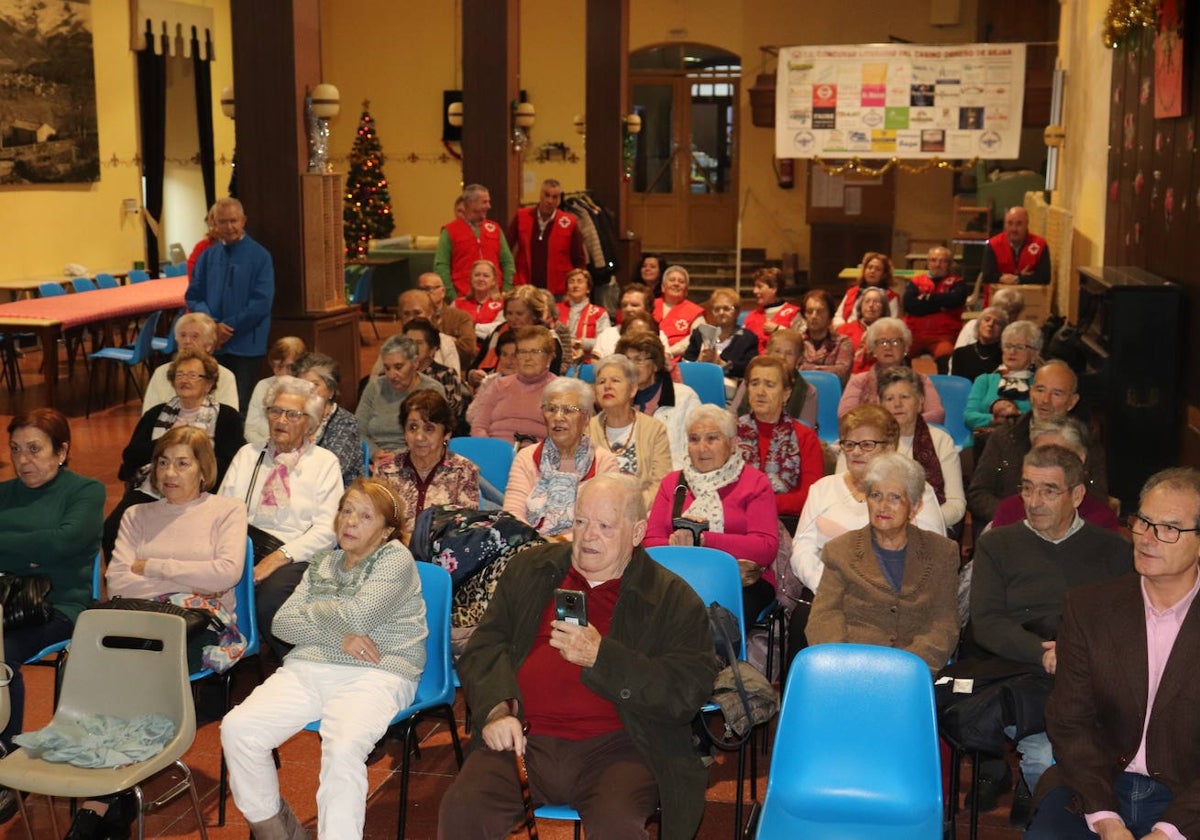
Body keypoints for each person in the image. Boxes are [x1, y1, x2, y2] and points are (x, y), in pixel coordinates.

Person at [438, 473, 718, 840]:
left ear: (636, 533)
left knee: (617, 829)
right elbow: (485, 647)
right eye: (582, 521)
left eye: (605, 526)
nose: (587, 536)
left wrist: (603, 657)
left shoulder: (671, 598)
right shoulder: (531, 569)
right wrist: (497, 710)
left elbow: (685, 691)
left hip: (621, 748)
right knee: (461, 813)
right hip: (522, 738)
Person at [222, 479, 427, 840]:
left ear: (387, 531)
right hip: (310, 667)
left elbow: (360, 616)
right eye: (346, 510)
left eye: (365, 516)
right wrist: (340, 635)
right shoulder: (323, 562)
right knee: (239, 730)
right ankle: (277, 832)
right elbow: (283, 622)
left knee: (344, 746)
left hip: (378, 671)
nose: (349, 522)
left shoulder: (396, 559)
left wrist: (317, 615)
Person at [1026, 468, 1200, 840]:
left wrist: (1170, 831)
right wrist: (1106, 819)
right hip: (1094, 783)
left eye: (1170, 528)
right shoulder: (1089, 607)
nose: (1148, 539)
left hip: (1189, 796)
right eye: (1143, 522)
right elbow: (1070, 721)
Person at [967, 444, 1132, 811]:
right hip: (1027, 675)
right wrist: (1042, 656)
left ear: (1076, 495)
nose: (1034, 501)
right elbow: (988, 623)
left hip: (1096, 680)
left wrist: (1075, 655)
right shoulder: (997, 544)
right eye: (1027, 488)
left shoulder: (1114, 551)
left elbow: (1129, 624)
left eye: (1048, 490)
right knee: (1046, 758)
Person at [0, 409, 103, 781]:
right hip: (4, 602)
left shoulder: (86, 491)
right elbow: (51, 543)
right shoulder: (3, 493)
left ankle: (4, 758)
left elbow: (64, 544)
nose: (22, 460)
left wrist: (18, 550)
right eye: (15, 449)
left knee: (3, 652)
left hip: (58, 606)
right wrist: (34, 551)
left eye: (33, 449)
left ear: (61, 451)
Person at [219, 376, 343, 659]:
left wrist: (278, 558)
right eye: (275, 411)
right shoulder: (247, 455)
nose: (281, 420)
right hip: (243, 544)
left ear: (309, 422)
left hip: (295, 553)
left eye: (292, 414)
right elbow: (223, 511)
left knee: (269, 600)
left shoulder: (324, 463)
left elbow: (327, 530)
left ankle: (292, 664)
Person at [807, 452, 960, 672]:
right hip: (851, 667)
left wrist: (907, 668)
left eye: (895, 497)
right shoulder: (840, 550)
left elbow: (944, 624)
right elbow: (824, 616)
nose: (882, 506)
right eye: (875, 495)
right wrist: (842, 665)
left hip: (912, 668)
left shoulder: (942, 552)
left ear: (915, 506)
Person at [645, 405, 780, 625]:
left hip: (740, 581)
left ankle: (716, 660)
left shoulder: (755, 483)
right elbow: (651, 541)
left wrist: (703, 540)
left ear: (733, 443)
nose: (701, 448)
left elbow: (765, 548)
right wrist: (676, 544)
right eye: (694, 439)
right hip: (675, 576)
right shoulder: (672, 483)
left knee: (711, 621)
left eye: (712, 438)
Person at [107, 349, 245, 557]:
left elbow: (232, 462)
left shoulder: (226, 416)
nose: (185, 380)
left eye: (192, 375)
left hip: (202, 493)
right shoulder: (156, 413)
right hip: (151, 489)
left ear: (208, 384)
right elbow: (131, 456)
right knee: (111, 531)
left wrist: (192, 464)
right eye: (180, 375)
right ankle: (125, 585)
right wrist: (167, 444)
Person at [108, 426, 248, 619]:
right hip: (138, 618)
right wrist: (193, 588)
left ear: (203, 470)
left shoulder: (229, 510)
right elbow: (117, 585)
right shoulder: (136, 515)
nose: (170, 473)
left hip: (200, 622)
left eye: (182, 464)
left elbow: (226, 575)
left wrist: (150, 567)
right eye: (163, 463)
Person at [967, 360, 1108, 525]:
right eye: (1040, 390)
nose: (1045, 400)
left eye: (1057, 393)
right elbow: (978, 494)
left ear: (1072, 401)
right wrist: (1018, 519)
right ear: (1031, 393)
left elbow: (1097, 502)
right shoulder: (1004, 436)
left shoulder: (1087, 444)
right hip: (1008, 530)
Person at [845, 365, 964, 528]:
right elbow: (845, 494)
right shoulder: (864, 441)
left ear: (920, 401)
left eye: (905, 397)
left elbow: (956, 505)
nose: (897, 404)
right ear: (880, 404)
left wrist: (919, 523)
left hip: (926, 528)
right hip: (869, 526)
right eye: (889, 399)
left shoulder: (941, 440)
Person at [186, 196, 276, 410]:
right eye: (223, 221)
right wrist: (212, 326)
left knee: (240, 405)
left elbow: (261, 301)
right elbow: (194, 295)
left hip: (247, 344)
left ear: (243, 221)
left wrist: (228, 328)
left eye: (234, 221)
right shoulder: (207, 256)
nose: (229, 227)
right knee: (210, 404)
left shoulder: (260, 256)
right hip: (212, 346)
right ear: (214, 224)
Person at [503, 378, 618, 539]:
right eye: (551, 409)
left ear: (586, 417)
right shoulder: (526, 457)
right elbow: (512, 514)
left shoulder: (604, 462)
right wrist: (538, 544)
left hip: (583, 546)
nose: (558, 417)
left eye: (568, 410)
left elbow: (602, 521)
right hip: (530, 547)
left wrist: (561, 541)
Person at [989, 417, 1122, 533]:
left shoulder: (1101, 519)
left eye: (1059, 455)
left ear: (1080, 459)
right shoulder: (1010, 510)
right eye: (1039, 452)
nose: (1046, 461)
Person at [380, 390, 479, 544]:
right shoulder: (387, 470)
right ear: (404, 433)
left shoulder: (463, 471)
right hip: (393, 555)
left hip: (442, 558)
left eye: (429, 429)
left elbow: (466, 532)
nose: (419, 437)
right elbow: (377, 524)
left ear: (446, 434)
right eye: (412, 428)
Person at [735, 355, 824, 522]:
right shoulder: (730, 432)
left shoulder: (805, 436)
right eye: (754, 384)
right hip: (735, 519)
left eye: (769, 385)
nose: (760, 392)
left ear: (786, 394)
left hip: (786, 523)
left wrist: (763, 504)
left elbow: (812, 496)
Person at [589, 353, 673, 509]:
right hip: (597, 510)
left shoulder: (654, 430)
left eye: (615, 380)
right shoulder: (587, 430)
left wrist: (631, 507)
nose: (607, 386)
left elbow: (661, 484)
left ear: (633, 389)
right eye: (601, 382)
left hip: (642, 512)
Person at [616, 330, 702, 470]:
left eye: (639, 360)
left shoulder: (684, 397)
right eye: (626, 361)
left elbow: (696, 450)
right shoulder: (616, 401)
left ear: (656, 364)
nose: (631, 366)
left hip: (672, 478)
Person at [356, 334, 445, 466]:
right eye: (387, 368)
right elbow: (357, 430)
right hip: (374, 462)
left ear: (415, 363)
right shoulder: (375, 387)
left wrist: (398, 456)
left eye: (398, 367)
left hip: (417, 461)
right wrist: (374, 453)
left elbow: (435, 435)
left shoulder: (432, 390)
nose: (391, 375)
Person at [837, 318, 946, 424]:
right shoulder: (858, 381)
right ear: (873, 349)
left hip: (911, 436)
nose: (888, 347)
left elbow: (937, 414)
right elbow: (845, 415)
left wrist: (904, 424)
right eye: (882, 342)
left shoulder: (921, 380)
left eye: (895, 342)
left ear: (906, 348)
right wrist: (884, 425)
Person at [471, 325, 558, 445]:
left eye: (535, 352)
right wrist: (489, 451)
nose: (528, 358)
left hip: (536, 456)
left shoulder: (560, 390)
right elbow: (479, 426)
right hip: (494, 452)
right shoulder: (499, 385)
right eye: (522, 352)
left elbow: (562, 436)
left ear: (549, 357)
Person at [141, 312, 241, 413]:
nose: (187, 341)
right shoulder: (161, 373)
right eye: (183, 335)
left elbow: (230, 419)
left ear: (209, 345)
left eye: (195, 336)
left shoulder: (225, 376)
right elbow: (148, 416)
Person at [293, 352, 363, 488]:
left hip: (338, 497)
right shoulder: (294, 416)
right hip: (299, 488)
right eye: (302, 385)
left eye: (315, 385)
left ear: (331, 391)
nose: (307, 391)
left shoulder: (346, 423)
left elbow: (332, 470)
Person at [435, 183, 515, 300]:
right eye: (484, 202)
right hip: (462, 296)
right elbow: (441, 266)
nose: (489, 206)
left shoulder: (495, 228)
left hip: (495, 297)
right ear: (471, 203)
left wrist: (506, 291)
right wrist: (452, 296)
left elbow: (507, 262)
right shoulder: (449, 231)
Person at [507, 178, 586, 296]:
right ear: (540, 195)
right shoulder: (522, 216)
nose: (550, 201)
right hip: (525, 287)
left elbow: (579, 259)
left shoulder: (569, 222)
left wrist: (576, 289)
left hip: (558, 290)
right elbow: (507, 249)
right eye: (547, 195)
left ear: (560, 200)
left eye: (555, 197)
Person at [964, 320, 1042, 431]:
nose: (1012, 351)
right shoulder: (985, 380)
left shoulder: (1039, 384)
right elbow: (969, 417)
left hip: (1022, 442)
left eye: (1020, 347)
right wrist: (995, 419)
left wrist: (1017, 417)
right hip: (981, 442)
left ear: (1035, 354)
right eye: (1008, 346)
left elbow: (1042, 420)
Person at [903, 245, 971, 373]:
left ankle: (943, 390)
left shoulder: (958, 282)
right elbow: (909, 306)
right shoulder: (916, 282)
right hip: (914, 334)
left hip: (943, 335)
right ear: (928, 262)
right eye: (933, 260)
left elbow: (957, 300)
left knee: (947, 359)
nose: (937, 264)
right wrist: (942, 305)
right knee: (898, 354)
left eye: (943, 261)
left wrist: (927, 298)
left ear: (949, 264)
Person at [683, 287, 758, 386]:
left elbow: (750, 369)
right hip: (699, 384)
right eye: (717, 309)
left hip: (732, 391)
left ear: (737, 312)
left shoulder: (748, 338)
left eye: (726, 308)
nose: (721, 312)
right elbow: (685, 364)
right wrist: (699, 362)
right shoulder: (700, 333)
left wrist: (722, 363)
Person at [244, 336, 307, 447]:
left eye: (289, 367)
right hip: (264, 450)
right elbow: (250, 430)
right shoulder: (263, 386)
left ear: (301, 366)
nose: (280, 372)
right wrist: (270, 449)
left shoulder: (307, 390)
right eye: (276, 366)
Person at [403, 317, 466, 425]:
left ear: (432, 349)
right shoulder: (394, 374)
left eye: (418, 343)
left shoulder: (447, 375)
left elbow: (452, 413)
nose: (412, 347)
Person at [417, 270, 479, 371]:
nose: (424, 293)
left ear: (443, 292)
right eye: (421, 289)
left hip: (456, 371)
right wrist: (450, 340)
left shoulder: (461, 317)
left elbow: (468, 349)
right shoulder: (416, 318)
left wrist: (438, 341)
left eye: (429, 289)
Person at [593, 283, 670, 360]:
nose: (628, 309)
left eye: (634, 305)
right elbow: (594, 363)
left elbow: (664, 364)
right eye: (624, 305)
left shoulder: (659, 336)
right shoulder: (607, 334)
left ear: (648, 309)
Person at [981, 206, 1050, 286]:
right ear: (1004, 225)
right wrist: (1003, 278)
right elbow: (986, 276)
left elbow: (1045, 277)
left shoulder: (1040, 245)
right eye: (1010, 223)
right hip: (998, 297)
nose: (1014, 229)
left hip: (1029, 297)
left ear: (1027, 224)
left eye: (1019, 224)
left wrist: (1018, 279)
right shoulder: (993, 245)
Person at [398, 289, 463, 374]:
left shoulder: (445, 342)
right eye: (406, 314)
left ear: (429, 314)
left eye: (417, 313)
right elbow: (377, 379)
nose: (411, 318)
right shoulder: (394, 343)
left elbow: (454, 378)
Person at [798, 289, 854, 384]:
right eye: (809, 311)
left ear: (830, 315)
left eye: (820, 311)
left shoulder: (842, 342)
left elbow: (841, 373)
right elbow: (791, 370)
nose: (814, 316)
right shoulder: (797, 341)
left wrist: (806, 368)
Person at [832, 251, 900, 329]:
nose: (872, 271)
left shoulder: (891, 297)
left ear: (884, 274)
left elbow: (891, 324)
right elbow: (838, 316)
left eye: (877, 269)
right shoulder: (852, 292)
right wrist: (845, 328)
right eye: (869, 267)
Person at [557, 268, 610, 363]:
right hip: (559, 361)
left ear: (588, 289)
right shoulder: (556, 310)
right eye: (571, 282)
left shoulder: (599, 313)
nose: (575, 285)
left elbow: (604, 342)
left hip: (588, 363)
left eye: (580, 281)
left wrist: (580, 343)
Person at [466, 330, 518, 427]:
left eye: (514, 356)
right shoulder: (489, 381)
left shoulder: (531, 385)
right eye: (504, 355)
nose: (509, 361)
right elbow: (471, 416)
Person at [653, 265, 706, 359]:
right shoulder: (650, 305)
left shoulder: (695, 311)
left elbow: (697, 337)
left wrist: (669, 353)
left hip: (679, 360)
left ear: (686, 290)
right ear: (663, 287)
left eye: (681, 282)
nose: (676, 284)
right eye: (672, 280)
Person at [743, 266, 801, 352]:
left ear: (774, 288)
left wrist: (778, 330)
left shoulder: (794, 313)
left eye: (759, 287)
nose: (754, 291)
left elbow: (802, 341)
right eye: (755, 286)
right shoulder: (751, 317)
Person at [948, 305, 1010, 382]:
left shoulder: (1006, 357)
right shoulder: (960, 354)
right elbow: (956, 386)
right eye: (987, 320)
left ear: (1003, 331)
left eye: (997, 323)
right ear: (978, 325)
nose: (990, 324)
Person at [838, 286, 890, 373]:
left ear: (883, 308)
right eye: (867, 301)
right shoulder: (844, 329)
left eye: (876, 302)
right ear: (860, 306)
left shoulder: (890, 331)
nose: (871, 305)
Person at [954, 286, 1024, 350]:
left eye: (1011, 312)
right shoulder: (972, 326)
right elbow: (955, 358)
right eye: (1002, 310)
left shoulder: (1019, 335)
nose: (1006, 316)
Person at [454, 259, 507, 343]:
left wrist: (469, 328)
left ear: (494, 281)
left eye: (486, 276)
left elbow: (497, 329)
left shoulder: (503, 304)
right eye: (477, 275)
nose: (481, 279)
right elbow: (450, 329)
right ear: (471, 279)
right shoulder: (457, 304)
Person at [186, 205, 218, 278]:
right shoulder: (202, 247)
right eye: (213, 225)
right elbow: (192, 269)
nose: (216, 229)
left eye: (221, 223)